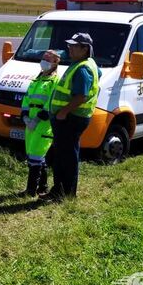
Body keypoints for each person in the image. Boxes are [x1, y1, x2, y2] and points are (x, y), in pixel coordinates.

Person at [40, 33, 101, 201]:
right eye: (70, 45)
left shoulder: (82, 68)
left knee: (67, 156)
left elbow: (80, 96)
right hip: (69, 118)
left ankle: (66, 193)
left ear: (85, 49)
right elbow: (98, 77)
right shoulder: (86, 64)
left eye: (74, 46)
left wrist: (63, 112)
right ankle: (59, 190)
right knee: (61, 155)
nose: (70, 48)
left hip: (71, 119)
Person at [20, 50, 60, 196]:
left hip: (43, 124)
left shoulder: (55, 81)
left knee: (36, 156)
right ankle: (42, 187)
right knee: (34, 155)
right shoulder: (36, 80)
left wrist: (37, 119)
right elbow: (26, 99)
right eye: (43, 58)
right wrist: (25, 116)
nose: (44, 61)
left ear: (56, 62)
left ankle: (30, 190)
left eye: (48, 59)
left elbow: (51, 103)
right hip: (30, 122)